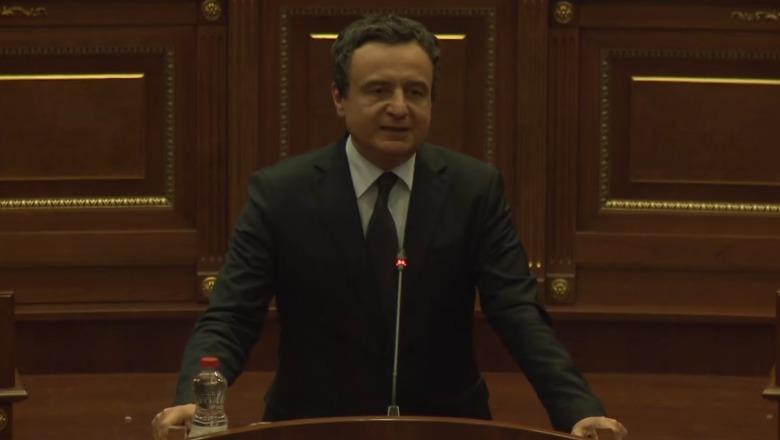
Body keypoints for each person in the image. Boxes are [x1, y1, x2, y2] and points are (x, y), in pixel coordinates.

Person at [152, 14, 627, 440]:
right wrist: (195, 400)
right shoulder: (281, 194)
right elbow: (232, 315)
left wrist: (578, 411)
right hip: (314, 425)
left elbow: (518, 312)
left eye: (415, 92)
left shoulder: (473, 189)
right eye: (378, 90)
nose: (399, 107)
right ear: (339, 98)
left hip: (444, 425)